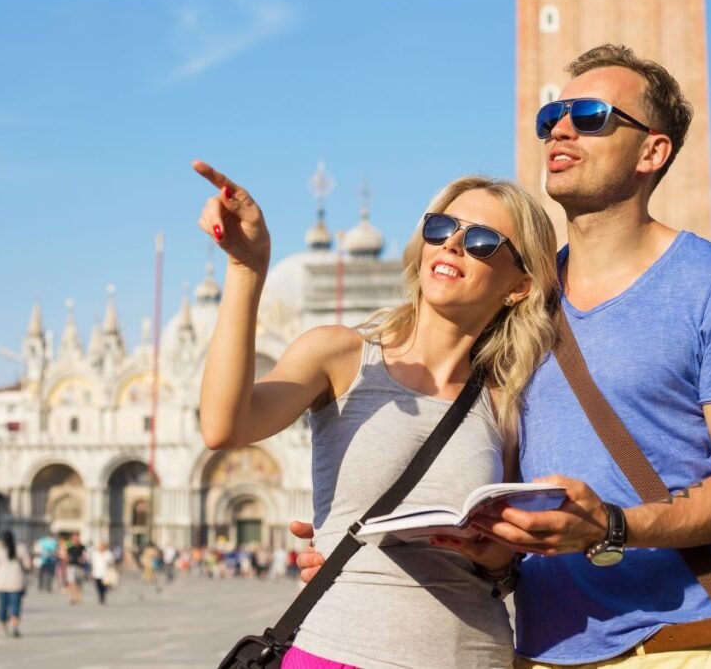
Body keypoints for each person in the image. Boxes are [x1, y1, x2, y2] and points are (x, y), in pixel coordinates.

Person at [297, 44, 711, 669]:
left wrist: (612, 527)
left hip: (683, 643)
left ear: (652, 151)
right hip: (539, 651)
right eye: (552, 115)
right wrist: (355, 543)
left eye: (590, 116)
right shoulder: (512, 297)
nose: (560, 126)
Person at [195, 159, 558, 668]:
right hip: (340, 652)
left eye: (481, 242)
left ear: (519, 284)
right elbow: (223, 426)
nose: (452, 244)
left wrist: (491, 551)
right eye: (440, 228)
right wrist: (246, 269)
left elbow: (508, 563)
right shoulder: (341, 355)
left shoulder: (510, 399)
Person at [0, 530, 31, 637]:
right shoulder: (21, 549)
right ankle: (14, 627)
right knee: (15, 606)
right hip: (16, 581)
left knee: (2, 606)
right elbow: (28, 565)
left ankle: (4, 629)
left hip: (1, 582)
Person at [64, 533, 85, 604]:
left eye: (77, 537)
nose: (76, 539)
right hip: (71, 566)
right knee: (71, 582)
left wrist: (83, 559)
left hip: (79, 566)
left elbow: (85, 555)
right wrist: (66, 564)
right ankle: (72, 597)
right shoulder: (70, 546)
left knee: (79, 583)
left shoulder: (82, 547)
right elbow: (65, 554)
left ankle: (79, 596)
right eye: (74, 538)